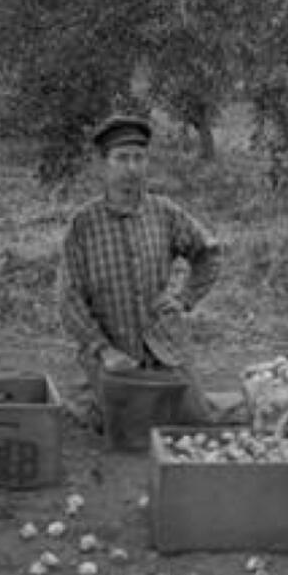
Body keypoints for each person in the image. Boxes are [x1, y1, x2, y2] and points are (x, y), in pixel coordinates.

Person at [59, 114, 222, 432]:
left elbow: (209, 253)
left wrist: (184, 298)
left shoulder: (164, 212)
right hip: (114, 352)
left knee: (196, 421)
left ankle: (100, 399)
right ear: (103, 166)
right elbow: (69, 298)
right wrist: (104, 350)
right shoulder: (83, 225)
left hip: (163, 346)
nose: (131, 168)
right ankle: (90, 396)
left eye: (139, 158)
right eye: (121, 159)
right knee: (125, 427)